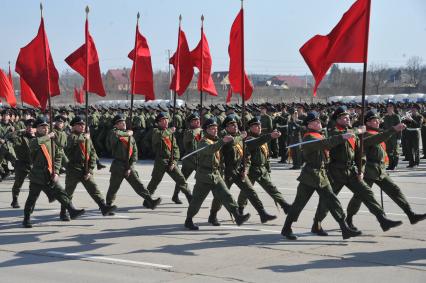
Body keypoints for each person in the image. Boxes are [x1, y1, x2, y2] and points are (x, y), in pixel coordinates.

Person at [312, 106, 403, 235]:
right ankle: (317, 223)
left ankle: (382, 219)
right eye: (344, 117)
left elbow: (360, 153)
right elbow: (335, 139)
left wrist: (361, 169)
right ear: (338, 119)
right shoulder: (333, 131)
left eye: (348, 116)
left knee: (366, 193)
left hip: (350, 171)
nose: (348, 118)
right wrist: (357, 130)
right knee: (328, 200)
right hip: (336, 171)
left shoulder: (352, 132)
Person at [281, 111, 361, 240]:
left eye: (319, 121)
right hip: (310, 175)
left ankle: (344, 228)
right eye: (316, 122)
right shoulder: (309, 138)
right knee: (299, 204)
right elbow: (326, 143)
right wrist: (342, 137)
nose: (319, 123)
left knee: (332, 201)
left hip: (322, 175)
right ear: (309, 125)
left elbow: (327, 144)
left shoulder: (319, 135)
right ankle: (286, 228)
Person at [345, 109, 426, 230]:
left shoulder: (377, 132)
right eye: (373, 120)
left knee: (395, 190)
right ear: (367, 123)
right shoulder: (365, 135)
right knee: (360, 196)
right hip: (368, 170)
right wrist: (394, 129)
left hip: (380, 169)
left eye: (377, 119)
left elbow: (382, 141)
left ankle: (411, 214)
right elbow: (378, 139)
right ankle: (349, 218)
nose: (377, 121)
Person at [209, 115, 276, 225]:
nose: (234, 126)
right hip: (227, 172)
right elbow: (231, 144)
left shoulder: (240, 138)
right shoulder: (223, 136)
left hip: (239, 170)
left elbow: (246, 155)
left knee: (251, 191)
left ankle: (262, 213)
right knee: (221, 196)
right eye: (231, 125)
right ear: (226, 127)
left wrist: (246, 169)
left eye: (235, 124)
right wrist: (242, 136)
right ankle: (213, 215)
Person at [185, 118, 250, 230]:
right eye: (212, 128)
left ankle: (237, 216)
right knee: (197, 201)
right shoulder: (203, 141)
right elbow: (211, 149)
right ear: (206, 130)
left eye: (216, 128)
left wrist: (236, 138)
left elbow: (228, 146)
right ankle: (189, 219)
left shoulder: (217, 140)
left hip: (216, 174)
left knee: (227, 195)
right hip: (204, 176)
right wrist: (222, 141)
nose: (215, 130)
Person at [22, 117, 85, 228]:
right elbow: (34, 144)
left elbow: (58, 156)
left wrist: (56, 172)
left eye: (46, 127)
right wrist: (48, 136)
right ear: (37, 129)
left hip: (50, 173)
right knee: (32, 198)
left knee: (61, 192)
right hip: (37, 175)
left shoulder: (51, 141)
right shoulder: (33, 140)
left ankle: (71, 210)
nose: (45, 129)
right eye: (42, 127)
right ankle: (26, 218)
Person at [60, 116, 116, 221]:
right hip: (73, 168)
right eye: (79, 125)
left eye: (83, 125)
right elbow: (69, 146)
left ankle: (103, 207)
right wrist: (84, 138)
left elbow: (93, 153)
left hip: (85, 168)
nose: (82, 126)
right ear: (73, 127)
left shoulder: (86, 137)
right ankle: (63, 212)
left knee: (94, 189)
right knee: (68, 192)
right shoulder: (70, 137)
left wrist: (90, 169)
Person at [105, 114, 161, 209]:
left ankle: (150, 201)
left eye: (124, 122)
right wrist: (128, 133)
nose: (123, 123)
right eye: (120, 123)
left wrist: (130, 166)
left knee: (139, 185)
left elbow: (135, 152)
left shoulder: (130, 136)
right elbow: (116, 135)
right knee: (113, 187)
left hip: (128, 165)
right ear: (116, 125)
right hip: (118, 165)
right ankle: (108, 205)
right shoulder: (114, 133)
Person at [237, 117, 291, 215]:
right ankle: (240, 208)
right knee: (246, 192)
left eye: (260, 125)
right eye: (256, 126)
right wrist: (270, 136)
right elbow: (257, 142)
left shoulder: (261, 139)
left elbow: (265, 156)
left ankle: (285, 205)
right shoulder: (249, 140)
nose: (259, 127)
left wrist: (268, 169)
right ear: (250, 128)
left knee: (272, 188)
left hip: (261, 169)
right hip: (251, 170)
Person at [145, 112, 192, 204]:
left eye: (166, 120)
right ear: (158, 123)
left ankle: (190, 197)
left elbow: (175, 148)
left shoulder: (170, 133)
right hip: (160, 161)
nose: (166, 122)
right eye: (163, 121)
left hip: (171, 161)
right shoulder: (156, 131)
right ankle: (147, 199)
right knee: (155, 181)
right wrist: (171, 130)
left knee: (181, 179)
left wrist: (174, 161)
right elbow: (160, 136)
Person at [9, 119, 35, 208]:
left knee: (35, 184)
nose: (30, 128)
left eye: (32, 127)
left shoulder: (38, 137)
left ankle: (31, 202)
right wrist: (19, 131)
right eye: (28, 126)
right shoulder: (21, 138)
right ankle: (15, 199)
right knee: (18, 183)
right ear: (26, 128)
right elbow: (11, 137)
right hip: (22, 164)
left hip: (34, 164)